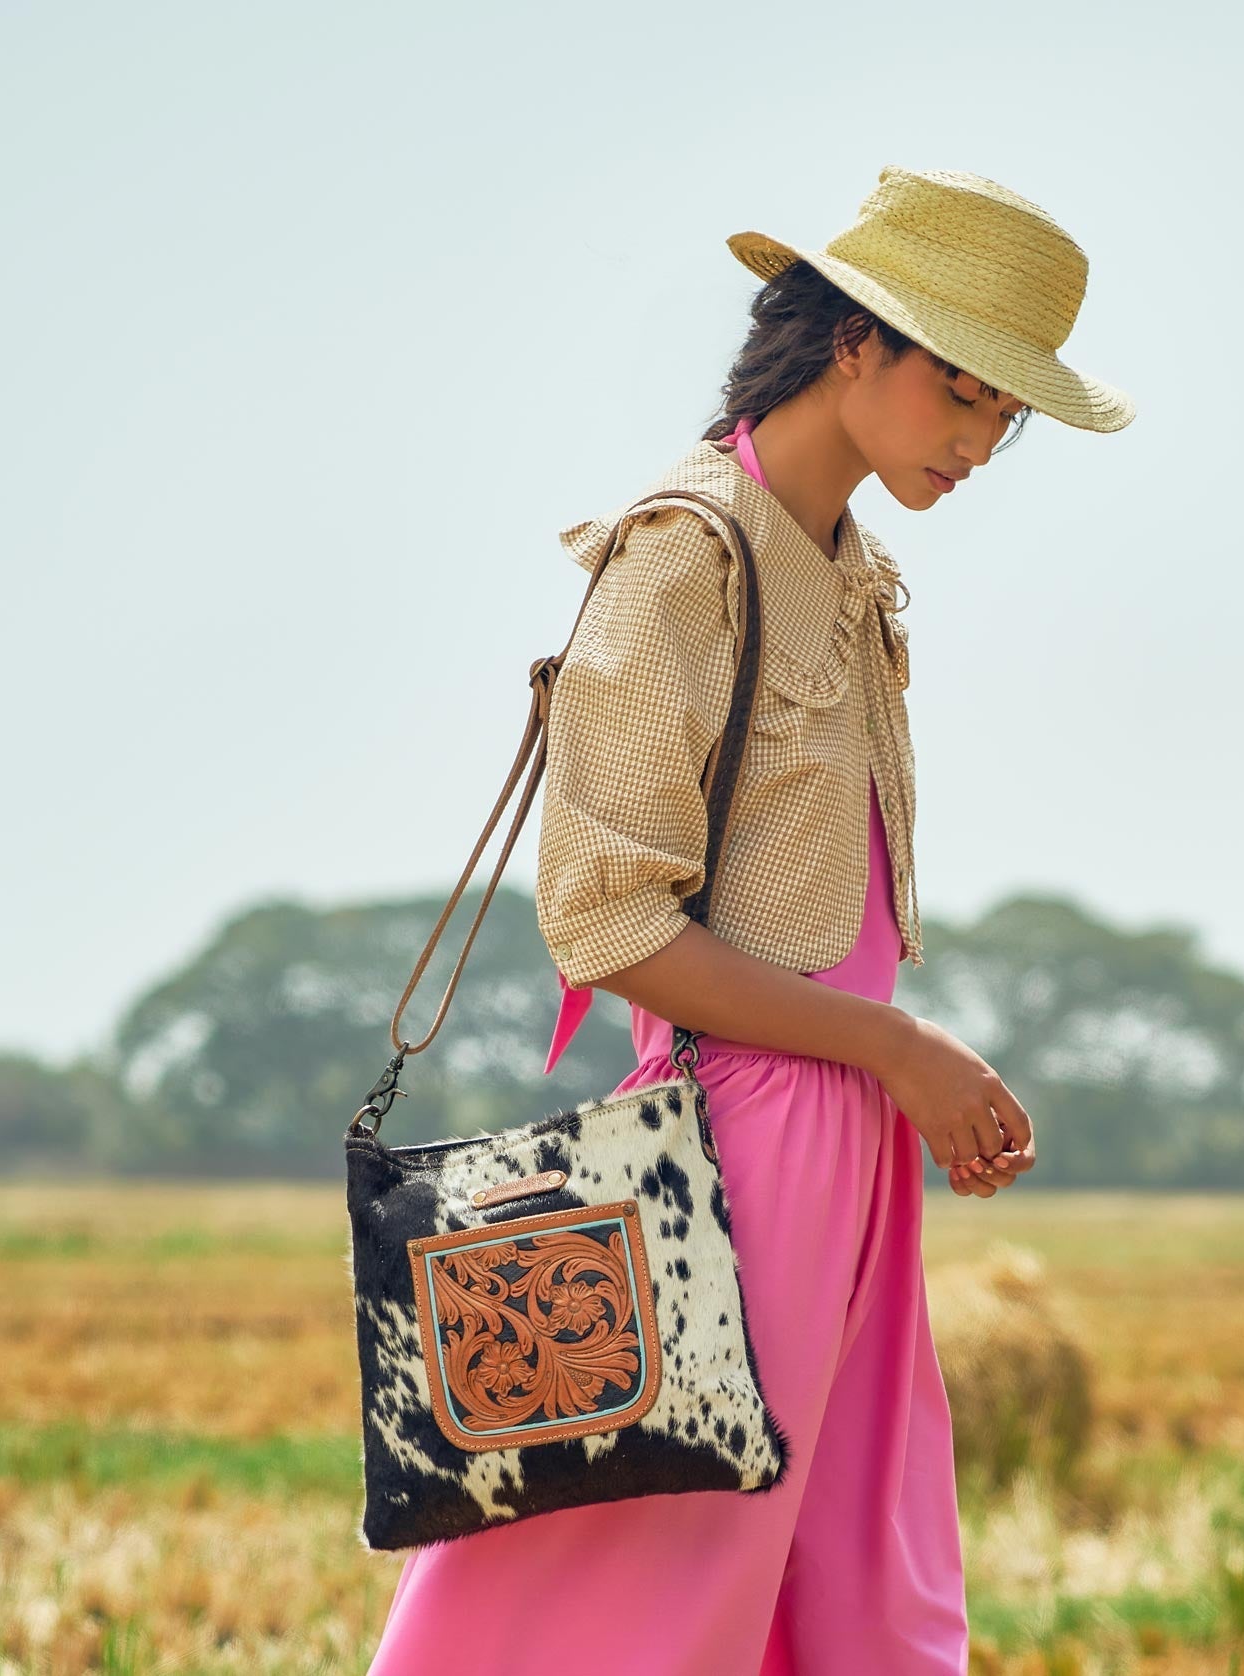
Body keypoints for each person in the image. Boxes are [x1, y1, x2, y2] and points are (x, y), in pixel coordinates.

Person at [366, 164, 1134, 1676]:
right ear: (857, 342)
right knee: (643, 1598)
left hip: (841, 1152)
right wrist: (898, 1050)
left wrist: (893, 1076)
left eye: (1008, 417)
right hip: (736, 1147)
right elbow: (606, 924)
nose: (982, 442)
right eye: (965, 391)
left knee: (857, 1593)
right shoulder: (683, 557)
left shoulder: (852, 576)